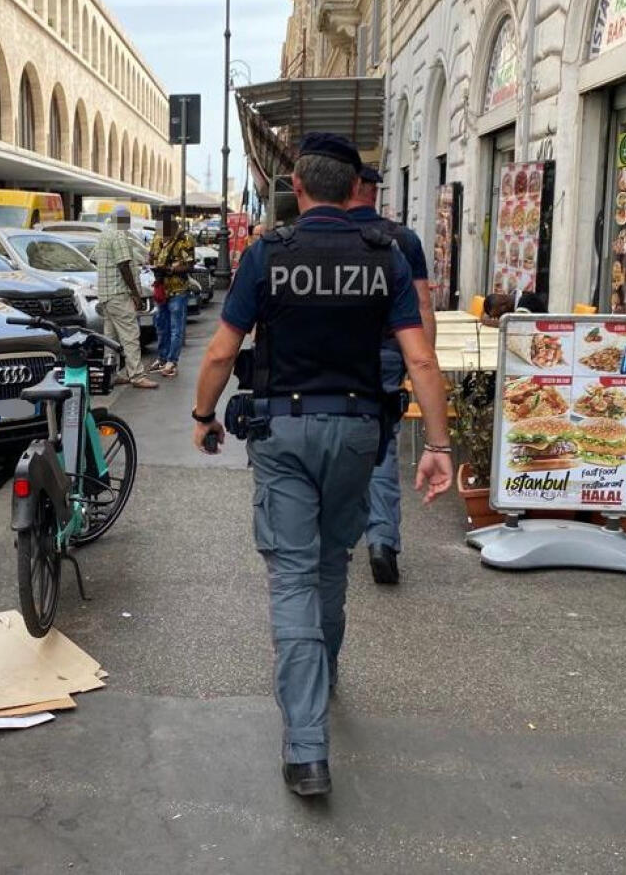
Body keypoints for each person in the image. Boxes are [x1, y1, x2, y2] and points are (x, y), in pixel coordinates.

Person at [189, 133, 453, 797]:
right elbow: (420, 358)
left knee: (293, 574)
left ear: (299, 188)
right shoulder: (384, 255)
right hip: (361, 428)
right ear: (355, 188)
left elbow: (222, 351)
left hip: (283, 431)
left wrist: (202, 416)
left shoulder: (267, 254)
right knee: (332, 562)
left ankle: (307, 749)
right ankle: (322, 672)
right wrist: (441, 449)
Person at [348, 165, 436, 585]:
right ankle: (381, 540)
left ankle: (333, 542)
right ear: (373, 191)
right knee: (381, 448)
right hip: (386, 354)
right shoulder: (403, 239)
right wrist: (425, 366)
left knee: (332, 441)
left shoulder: (323, 233)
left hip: (332, 360)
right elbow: (421, 306)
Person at [95, 206, 157, 390]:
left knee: (110, 338)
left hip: (105, 294)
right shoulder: (119, 235)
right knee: (130, 335)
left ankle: (111, 373)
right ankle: (137, 375)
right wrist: (136, 294)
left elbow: (96, 259)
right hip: (119, 294)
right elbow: (124, 265)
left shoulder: (104, 235)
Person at [148, 213, 195, 378]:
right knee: (161, 325)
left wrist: (171, 269)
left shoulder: (184, 239)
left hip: (177, 289)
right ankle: (162, 358)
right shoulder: (157, 238)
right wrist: (154, 265)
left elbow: (189, 265)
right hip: (162, 289)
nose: (161, 232)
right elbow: (151, 256)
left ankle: (172, 361)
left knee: (176, 327)